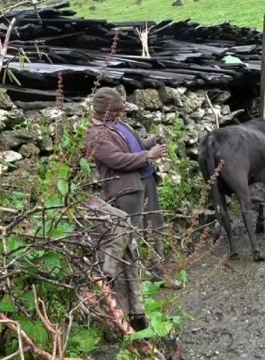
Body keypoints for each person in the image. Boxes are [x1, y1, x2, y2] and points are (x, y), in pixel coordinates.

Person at [85, 87, 168, 279]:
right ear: (103, 111)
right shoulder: (95, 135)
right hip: (128, 189)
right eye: (116, 111)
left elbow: (136, 145)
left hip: (146, 181)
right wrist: (149, 155)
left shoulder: (119, 124)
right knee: (130, 234)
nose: (120, 114)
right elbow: (117, 159)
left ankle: (158, 273)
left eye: (120, 110)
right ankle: (132, 280)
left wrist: (152, 142)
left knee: (154, 227)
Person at [85, 195, 148, 331]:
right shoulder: (85, 212)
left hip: (119, 256)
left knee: (125, 292)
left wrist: (108, 269)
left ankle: (131, 328)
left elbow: (123, 223)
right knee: (118, 295)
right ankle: (124, 327)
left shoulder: (95, 209)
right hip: (107, 255)